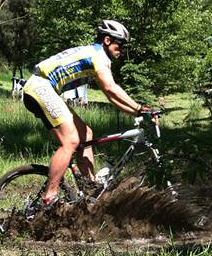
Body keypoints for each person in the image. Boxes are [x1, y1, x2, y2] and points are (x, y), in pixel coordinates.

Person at [22, 20, 149, 206]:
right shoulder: (98, 56)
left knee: (85, 134)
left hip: (43, 88)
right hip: (40, 86)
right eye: (120, 45)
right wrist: (139, 108)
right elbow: (111, 88)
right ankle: (49, 196)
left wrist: (137, 113)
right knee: (71, 140)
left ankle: (90, 188)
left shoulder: (96, 55)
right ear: (107, 40)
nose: (121, 50)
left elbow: (110, 96)